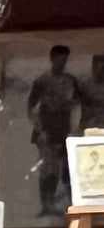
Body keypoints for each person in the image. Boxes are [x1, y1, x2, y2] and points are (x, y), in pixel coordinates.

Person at [28, 44, 80, 214]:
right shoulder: (42, 81)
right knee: (48, 169)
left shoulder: (71, 81)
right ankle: (46, 205)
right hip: (46, 130)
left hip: (64, 129)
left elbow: (77, 105)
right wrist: (40, 130)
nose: (62, 63)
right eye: (59, 59)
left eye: (64, 60)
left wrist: (74, 127)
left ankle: (67, 203)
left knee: (66, 168)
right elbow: (31, 108)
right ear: (52, 59)